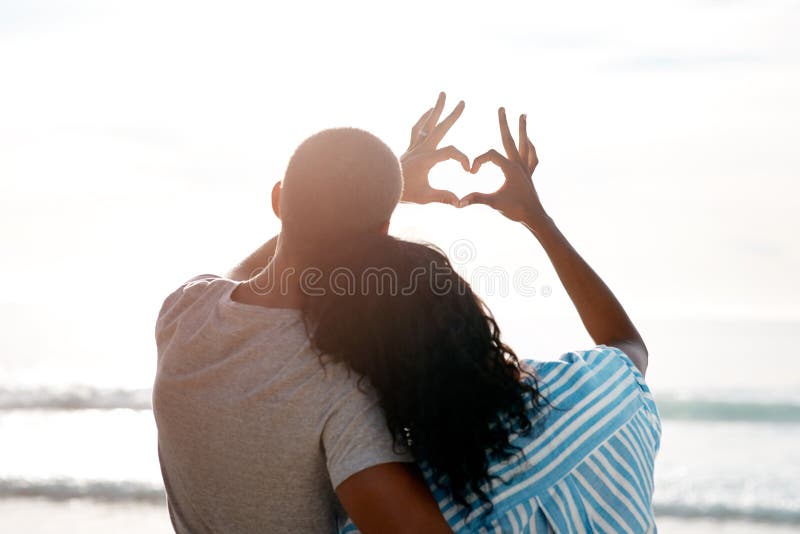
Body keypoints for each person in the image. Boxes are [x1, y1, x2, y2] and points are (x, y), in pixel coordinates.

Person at [305, 109, 662, 532]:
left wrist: (384, 194)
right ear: (469, 313)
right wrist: (537, 219)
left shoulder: (397, 512)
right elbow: (626, 342)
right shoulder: (602, 399)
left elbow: (230, 298)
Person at [153, 93, 470, 533]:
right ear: (383, 232)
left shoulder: (183, 313)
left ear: (278, 200)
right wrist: (382, 196)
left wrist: (384, 191)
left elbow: (244, 277)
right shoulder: (342, 389)